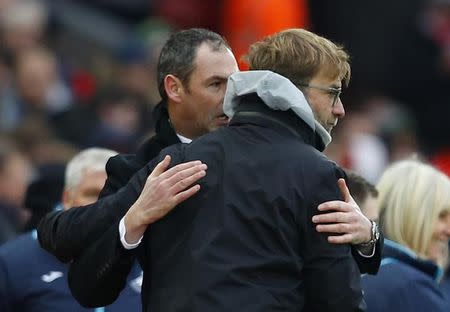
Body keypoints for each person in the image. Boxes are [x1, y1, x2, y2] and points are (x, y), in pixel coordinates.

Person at [38, 28, 380, 309]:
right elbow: (82, 276)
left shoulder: (304, 168)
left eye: (235, 84)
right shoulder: (155, 164)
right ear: (175, 88)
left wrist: (370, 237)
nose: (231, 98)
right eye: (216, 84)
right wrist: (134, 217)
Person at [0, 148, 142, 311]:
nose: (105, 203)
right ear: (67, 198)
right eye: (92, 193)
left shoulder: (149, 256)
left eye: (117, 194)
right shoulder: (11, 262)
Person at [362, 159, 450, 312]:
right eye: (441, 215)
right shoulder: (410, 287)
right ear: (409, 214)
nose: (448, 231)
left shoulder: (354, 270)